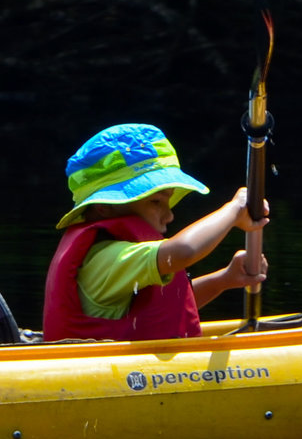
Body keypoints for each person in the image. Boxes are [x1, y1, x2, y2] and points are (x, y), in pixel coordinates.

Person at [43, 123, 265, 342]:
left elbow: (169, 306)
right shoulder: (108, 259)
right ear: (105, 207)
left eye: (167, 202)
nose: (169, 216)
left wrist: (223, 280)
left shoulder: (116, 257)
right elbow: (182, 252)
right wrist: (234, 209)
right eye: (156, 202)